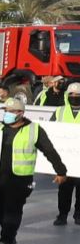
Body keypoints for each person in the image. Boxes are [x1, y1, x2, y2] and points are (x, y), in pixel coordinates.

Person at [0, 98, 66, 244]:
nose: (7, 114)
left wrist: (61, 171)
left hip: (21, 178)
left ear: (20, 113)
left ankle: (5, 239)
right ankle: (10, 234)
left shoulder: (34, 130)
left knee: (13, 208)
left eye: (10, 111)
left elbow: (49, 151)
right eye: (5, 111)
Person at [53, 85, 80, 225]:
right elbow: (50, 131)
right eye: (72, 94)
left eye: (77, 94)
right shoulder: (60, 111)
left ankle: (78, 215)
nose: (74, 96)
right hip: (65, 159)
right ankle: (62, 215)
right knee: (64, 188)